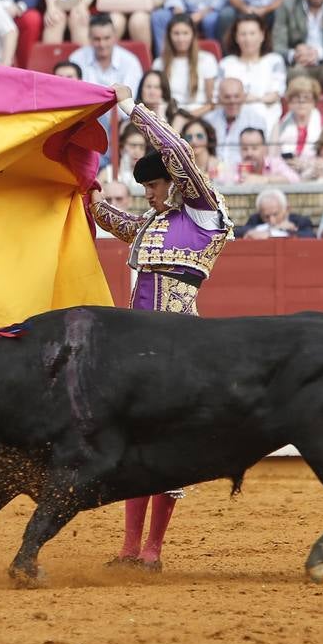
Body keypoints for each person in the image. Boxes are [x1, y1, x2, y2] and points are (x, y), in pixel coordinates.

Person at [89, 82, 232, 573]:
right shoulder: (153, 222)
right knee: (134, 443)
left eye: (152, 187)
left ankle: (152, 551)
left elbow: (177, 149)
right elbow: (113, 222)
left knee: (164, 446)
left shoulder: (204, 212)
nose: (147, 196)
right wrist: (82, 193)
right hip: (139, 345)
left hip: (178, 345)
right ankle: (130, 550)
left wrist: (131, 107)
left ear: (173, 183)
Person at [218, 13, 285, 127]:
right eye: (243, 34)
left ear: (262, 35)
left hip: (268, 120)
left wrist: (248, 99)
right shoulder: (226, 63)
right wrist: (257, 98)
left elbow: (275, 95)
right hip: (233, 121)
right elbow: (219, 97)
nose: (248, 39)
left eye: (252, 33)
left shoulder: (274, 60)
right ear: (236, 37)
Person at [157, 13, 218, 113]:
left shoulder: (207, 60)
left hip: (200, 115)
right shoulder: (159, 63)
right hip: (169, 116)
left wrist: (187, 117)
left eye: (185, 33)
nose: (181, 39)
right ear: (169, 36)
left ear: (193, 35)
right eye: (176, 33)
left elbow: (211, 103)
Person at [69, 14, 144, 92]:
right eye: (97, 39)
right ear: (89, 38)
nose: (102, 44)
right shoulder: (76, 58)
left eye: (106, 38)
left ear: (115, 36)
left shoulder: (130, 62)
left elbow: (130, 98)